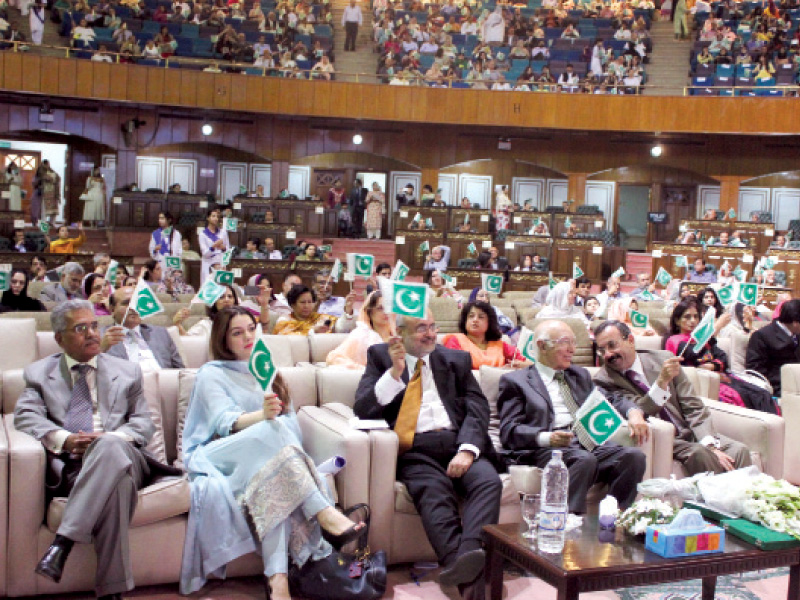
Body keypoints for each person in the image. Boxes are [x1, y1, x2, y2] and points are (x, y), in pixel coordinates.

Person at [180, 306, 365, 597]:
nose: (247, 337)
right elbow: (224, 422)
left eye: (251, 329)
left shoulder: (265, 367)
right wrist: (262, 416)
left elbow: (289, 425)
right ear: (223, 339)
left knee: (276, 482)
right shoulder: (210, 374)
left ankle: (277, 582)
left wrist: (274, 422)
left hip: (263, 456)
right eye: (237, 332)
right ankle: (323, 510)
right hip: (217, 453)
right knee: (270, 429)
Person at [14, 300, 157, 600]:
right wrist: (64, 439)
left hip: (128, 455)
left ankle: (62, 542)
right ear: (59, 338)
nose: (92, 333)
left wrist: (111, 438)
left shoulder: (127, 371)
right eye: (81, 328)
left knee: (110, 448)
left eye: (95, 325)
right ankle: (112, 593)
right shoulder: (39, 373)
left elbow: (144, 424)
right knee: (118, 483)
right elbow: (25, 415)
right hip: (77, 466)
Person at [354, 310, 502, 598]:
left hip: (458, 443)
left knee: (489, 482)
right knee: (435, 493)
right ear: (400, 333)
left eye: (433, 326)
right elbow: (363, 409)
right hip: (415, 449)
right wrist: (394, 373)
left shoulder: (454, 359)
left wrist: (468, 450)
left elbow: (477, 407)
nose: (431, 334)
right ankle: (464, 567)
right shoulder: (381, 356)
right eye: (421, 328)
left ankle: (467, 554)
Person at [497, 320, 647, 513]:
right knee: (583, 459)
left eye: (574, 342)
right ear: (542, 346)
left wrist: (634, 413)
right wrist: (547, 437)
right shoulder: (515, 381)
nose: (572, 349)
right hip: (544, 448)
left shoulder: (579, 375)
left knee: (633, 457)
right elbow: (509, 430)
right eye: (564, 342)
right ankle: (566, 523)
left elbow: (609, 398)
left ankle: (613, 519)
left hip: (585, 442)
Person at [593, 320, 752, 475]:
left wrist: (709, 445)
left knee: (739, 451)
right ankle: (720, 499)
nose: (608, 354)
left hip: (688, 432)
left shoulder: (663, 359)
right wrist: (661, 383)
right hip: (662, 438)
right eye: (601, 350)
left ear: (630, 340)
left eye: (612, 345)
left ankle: (744, 500)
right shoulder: (604, 381)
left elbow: (692, 405)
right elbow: (640, 410)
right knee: (700, 453)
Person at [101, 287, 185, 371]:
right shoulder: (101, 337)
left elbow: (180, 370)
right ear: (112, 309)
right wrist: (101, 349)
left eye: (137, 302)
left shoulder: (161, 333)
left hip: (163, 381)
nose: (133, 307)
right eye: (127, 303)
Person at [443, 301, 524, 369]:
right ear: (465, 321)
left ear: (489, 323)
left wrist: (518, 365)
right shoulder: (456, 340)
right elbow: (452, 370)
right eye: (471, 316)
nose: (475, 320)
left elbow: (527, 363)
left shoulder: (500, 345)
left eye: (481, 317)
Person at [326, 290, 396, 369]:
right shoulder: (361, 335)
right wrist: (362, 369)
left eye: (388, 308)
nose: (386, 312)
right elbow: (333, 358)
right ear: (369, 311)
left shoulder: (398, 334)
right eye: (380, 308)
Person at [746, 298, 800, 396]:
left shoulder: (796, 335)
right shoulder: (762, 336)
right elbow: (755, 370)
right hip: (779, 387)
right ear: (795, 322)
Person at [273, 285, 355, 335]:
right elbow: (285, 336)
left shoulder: (320, 318)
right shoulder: (284, 320)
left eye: (310, 302)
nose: (307, 306)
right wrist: (312, 331)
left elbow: (340, 328)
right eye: (302, 302)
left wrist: (347, 311)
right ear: (293, 304)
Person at [174, 283, 239, 337]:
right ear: (214, 303)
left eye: (230, 296)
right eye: (221, 297)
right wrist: (177, 324)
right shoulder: (206, 325)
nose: (226, 300)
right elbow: (188, 341)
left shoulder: (241, 321)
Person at [198, 208, 230, 285]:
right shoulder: (202, 234)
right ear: (208, 218)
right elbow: (205, 253)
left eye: (217, 216)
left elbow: (228, 250)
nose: (215, 218)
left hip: (220, 264)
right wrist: (213, 246)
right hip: (208, 264)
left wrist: (223, 248)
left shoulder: (223, 233)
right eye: (213, 216)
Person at [31, 159, 61, 226]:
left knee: (53, 210)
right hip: (41, 193)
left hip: (52, 193)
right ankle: (41, 224)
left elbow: (57, 179)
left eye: (47, 164)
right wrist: (42, 179)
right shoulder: (39, 174)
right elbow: (34, 184)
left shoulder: (53, 172)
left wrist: (52, 179)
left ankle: (51, 223)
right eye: (45, 164)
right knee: (41, 210)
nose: (46, 166)